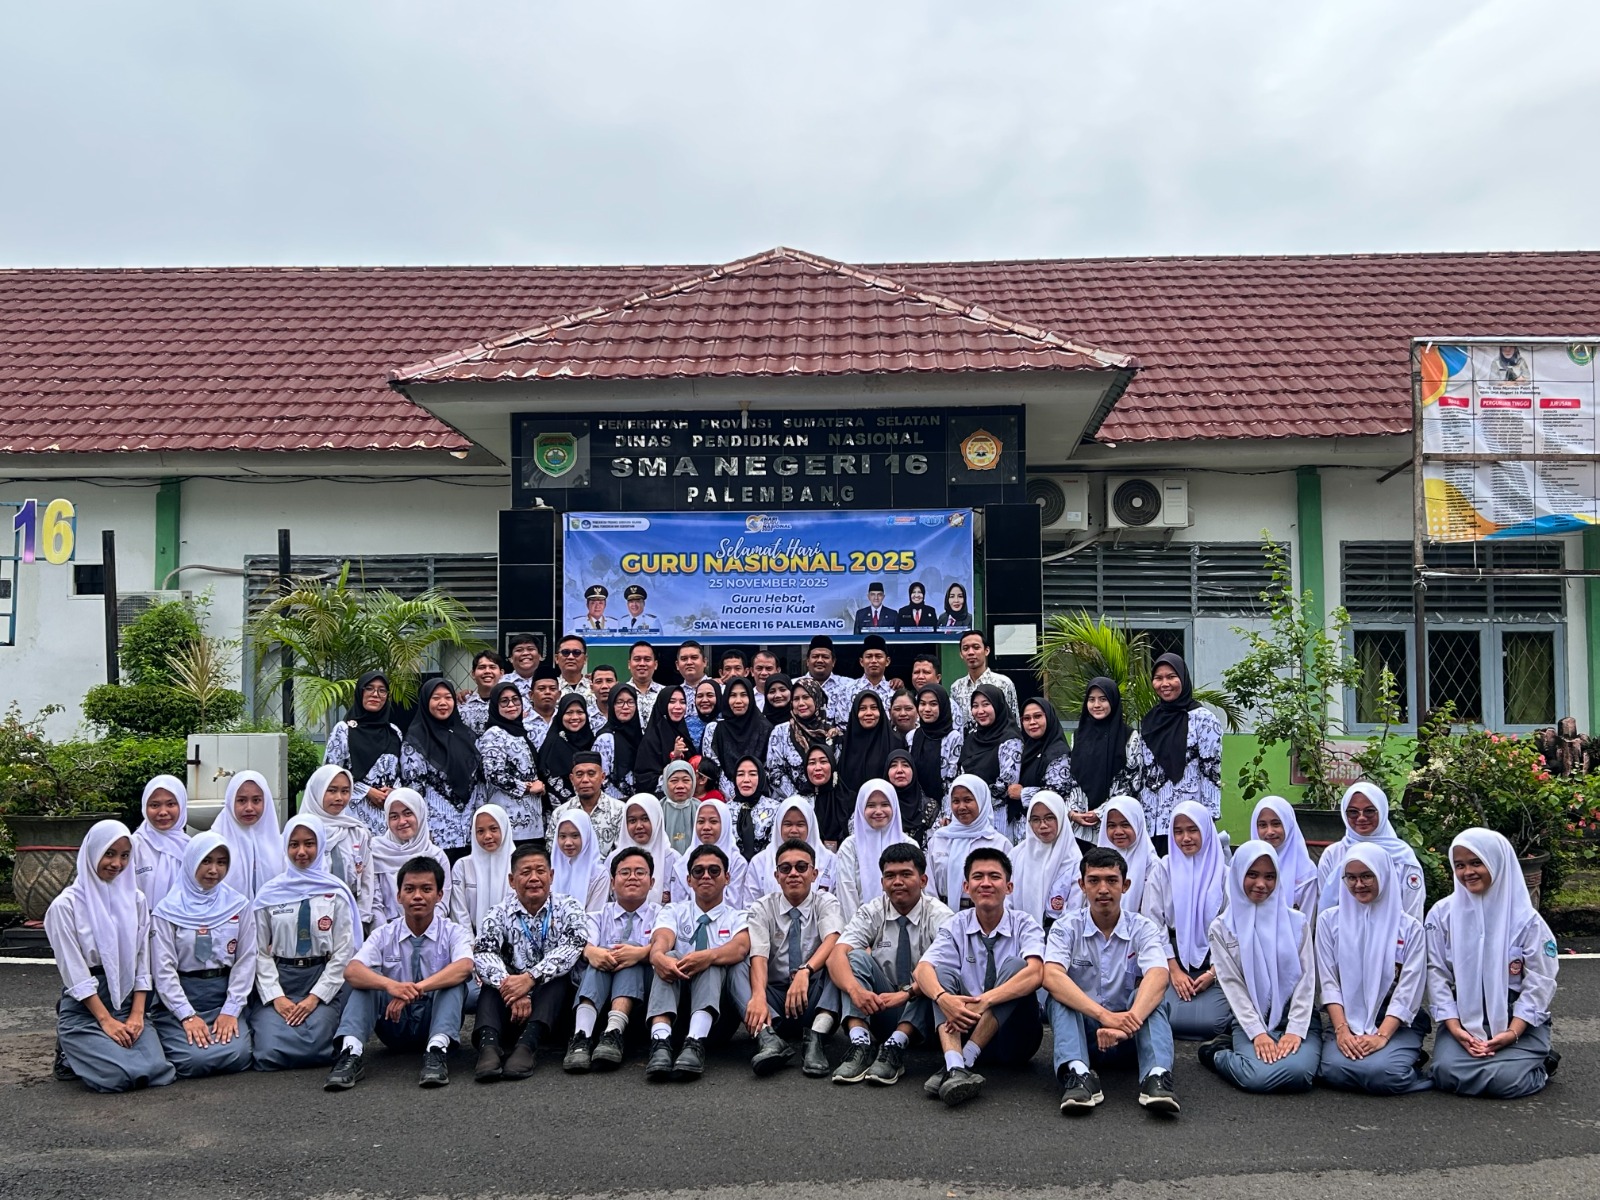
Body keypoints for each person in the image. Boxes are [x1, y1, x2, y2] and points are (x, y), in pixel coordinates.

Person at [1042, 846, 1180, 1114]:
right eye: (1093, 881)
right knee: (1059, 997)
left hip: (1131, 1036)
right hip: (1086, 1035)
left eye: (1111, 880)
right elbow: (1051, 975)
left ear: (1125, 885)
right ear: (1082, 885)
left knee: (1152, 997)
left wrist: (1125, 1025)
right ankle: (1079, 1074)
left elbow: (1159, 974)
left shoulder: (1143, 927)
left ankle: (1156, 1076)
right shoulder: (1066, 927)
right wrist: (1104, 1017)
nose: (1102, 889)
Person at [1426, 828, 1560, 1099]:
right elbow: (1436, 971)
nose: (1467, 872)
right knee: (1444, 1072)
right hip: (1464, 1015)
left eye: (1477, 863)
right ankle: (1503, 1061)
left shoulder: (1528, 921)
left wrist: (1513, 1032)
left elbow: (1540, 981)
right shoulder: (1443, 914)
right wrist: (1454, 1027)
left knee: (1507, 1082)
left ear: (1497, 863)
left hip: (1517, 1017)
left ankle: (1542, 1066)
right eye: (1460, 865)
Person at [44, 819, 177, 1092]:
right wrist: (106, 1021)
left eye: (125, 855)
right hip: (86, 1008)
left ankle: (89, 1053)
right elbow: (75, 973)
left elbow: (143, 961)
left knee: (156, 1071)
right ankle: (69, 1052)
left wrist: (137, 1015)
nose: (117, 863)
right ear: (92, 852)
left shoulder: (136, 900)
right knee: (119, 1077)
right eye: (109, 853)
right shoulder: (65, 907)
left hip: (127, 1002)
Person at [325, 856, 474, 1091]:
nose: (417, 896)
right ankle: (350, 1053)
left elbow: (465, 966)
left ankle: (437, 1051)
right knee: (366, 983)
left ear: (439, 895)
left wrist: (416, 989)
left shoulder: (453, 932)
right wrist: (389, 986)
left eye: (426, 889)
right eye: (409, 889)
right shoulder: (384, 933)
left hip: (432, 1020)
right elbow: (352, 971)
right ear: (399, 896)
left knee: (454, 982)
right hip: (393, 1023)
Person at [913, 847, 1044, 1107]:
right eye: (978, 877)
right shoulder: (956, 924)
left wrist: (985, 1000)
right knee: (940, 974)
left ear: (1009, 887)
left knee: (1018, 967)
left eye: (994, 877)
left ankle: (963, 1061)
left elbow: (1037, 973)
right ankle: (955, 1065)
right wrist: (943, 998)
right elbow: (922, 970)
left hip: (1015, 1040)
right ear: (966, 886)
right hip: (964, 1026)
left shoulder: (1025, 923)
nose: (985, 883)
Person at [827, 842, 953, 1085]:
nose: (897, 882)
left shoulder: (940, 915)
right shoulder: (872, 910)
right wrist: (857, 991)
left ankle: (896, 1047)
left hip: (924, 1014)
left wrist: (908, 993)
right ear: (882, 881)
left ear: (923, 880)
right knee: (854, 958)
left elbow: (951, 966)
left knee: (934, 971)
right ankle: (860, 1043)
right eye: (890, 876)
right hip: (883, 1006)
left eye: (906, 874)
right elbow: (836, 954)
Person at [1200, 841, 1320, 1093]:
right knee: (1257, 1077)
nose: (1261, 884)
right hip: (1249, 1016)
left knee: (1299, 1073)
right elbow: (1232, 985)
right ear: (1238, 874)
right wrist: (1257, 1033)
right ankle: (1216, 1055)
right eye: (1251, 875)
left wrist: (1296, 1031)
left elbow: (1306, 981)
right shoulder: (1222, 928)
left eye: (1270, 876)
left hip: (1295, 1015)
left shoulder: (1297, 922)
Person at [1315, 843, 1432, 1094]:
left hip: (1394, 1020)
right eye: (1351, 877)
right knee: (1330, 1069)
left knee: (1385, 1075)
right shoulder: (1329, 921)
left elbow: (1409, 990)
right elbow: (1328, 983)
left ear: (1384, 874)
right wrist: (1342, 1031)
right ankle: (1391, 1057)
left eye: (1367, 876)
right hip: (1345, 1018)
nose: (1359, 885)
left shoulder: (1409, 928)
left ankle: (1404, 1061)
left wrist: (1382, 1036)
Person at [249, 814, 362, 1071]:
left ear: (320, 845)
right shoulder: (269, 894)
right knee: (268, 1050)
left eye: (309, 843)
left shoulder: (335, 891)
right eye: (294, 844)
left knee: (319, 1043)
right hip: (281, 979)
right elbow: (258, 951)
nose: (301, 852)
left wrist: (315, 997)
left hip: (321, 978)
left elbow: (344, 951)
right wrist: (276, 997)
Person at [471, 844, 590, 1081]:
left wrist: (530, 979)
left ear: (551, 876)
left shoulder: (569, 907)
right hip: (510, 1003)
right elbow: (483, 953)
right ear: (512, 880)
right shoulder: (497, 912)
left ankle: (527, 1046)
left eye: (540, 871)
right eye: (525, 873)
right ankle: (489, 1048)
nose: (534, 878)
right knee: (489, 984)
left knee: (558, 979)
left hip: (552, 1008)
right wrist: (511, 987)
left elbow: (573, 947)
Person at [150, 831, 256, 1078]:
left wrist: (231, 1010)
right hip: (182, 997)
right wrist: (186, 1015)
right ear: (191, 862)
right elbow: (163, 969)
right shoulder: (167, 911)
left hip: (223, 995)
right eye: (206, 861)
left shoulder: (238, 905)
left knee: (238, 1055)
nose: (213, 870)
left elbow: (246, 959)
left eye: (221, 862)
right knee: (193, 1060)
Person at [645, 844, 754, 1082]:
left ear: (727, 878)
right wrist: (659, 955)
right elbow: (662, 938)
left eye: (714, 871)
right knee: (670, 957)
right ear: (689, 880)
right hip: (677, 1011)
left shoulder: (739, 916)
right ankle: (660, 1041)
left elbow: (741, 947)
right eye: (698, 871)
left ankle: (695, 1042)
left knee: (712, 959)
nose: (706, 876)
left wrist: (709, 956)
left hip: (718, 1019)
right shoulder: (673, 910)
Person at [745, 838, 845, 1077]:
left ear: (814, 873)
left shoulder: (826, 901)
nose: (793, 874)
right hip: (774, 1001)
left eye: (801, 867)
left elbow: (833, 938)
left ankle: (816, 1039)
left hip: (815, 998)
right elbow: (758, 954)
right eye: (785, 868)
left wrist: (805, 971)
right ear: (776, 875)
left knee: (842, 958)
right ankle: (768, 1039)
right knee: (737, 967)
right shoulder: (762, 908)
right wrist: (758, 996)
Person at [563, 846, 662, 1072]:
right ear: (612, 880)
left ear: (652, 881)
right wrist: (591, 952)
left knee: (632, 953)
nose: (632, 878)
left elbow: (666, 947)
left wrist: (639, 953)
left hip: (644, 999)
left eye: (640, 872)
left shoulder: (662, 914)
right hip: (601, 991)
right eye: (625, 872)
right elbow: (581, 942)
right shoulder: (597, 916)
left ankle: (613, 1032)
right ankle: (582, 1036)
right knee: (601, 954)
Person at [1141, 800, 1231, 1041]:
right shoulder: (1164, 869)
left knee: (1211, 1022)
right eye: (1178, 831)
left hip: (1216, 965)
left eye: (1193, 830)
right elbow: (1152, 924)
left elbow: (1235, 930)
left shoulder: (1224, 874)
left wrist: (1213, 973)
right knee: (1147, 1011)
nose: (1185, 838)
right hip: (1170, 962)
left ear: (1206, 830)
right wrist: (1174, 971)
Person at [1133, 654, 1222, 850]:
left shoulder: (1203, 719)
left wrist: (1208, 819)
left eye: (1171, 676)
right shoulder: (1150, 719)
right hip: (1150, 823)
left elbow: (1211, 772)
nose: (1164, 683)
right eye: (1158, 678)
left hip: (1186, 824)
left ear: (1183, 678)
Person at [1317, 782, 1427, 921]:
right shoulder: (1333, 855)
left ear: (1382, 810)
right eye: (1353, 812)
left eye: (1369, 811)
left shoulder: (1402, 856)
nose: (1361, 818)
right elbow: (1325, 908)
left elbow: (1412, 913)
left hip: (1393, 938)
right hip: (1343, 937)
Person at [399, 676, 483, 854]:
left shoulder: (467, 736)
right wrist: (421, 830)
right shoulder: (416, 740)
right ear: (425, 701)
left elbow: (479, 783)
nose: (443, 703)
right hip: (436, 833)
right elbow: (414, 791)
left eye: (448, 697)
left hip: (471, 831)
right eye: (436, 698)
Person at [323, 671, 402, 830]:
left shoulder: (394, 732)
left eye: (382, 690)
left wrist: (394, 792)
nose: (375, 694)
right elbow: (329, 774)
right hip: (353, 816)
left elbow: (400, 773)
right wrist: (367, 791)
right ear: (360, 692)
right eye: (369, 688)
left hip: (387, 818)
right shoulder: (344, 730)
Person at [299, 765, 376, 926]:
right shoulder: (300, 832)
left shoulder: (357, 832)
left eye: (345, 791)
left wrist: (362, 918)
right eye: (332, 790)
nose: (339, 797)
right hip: (307, 917)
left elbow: (367, 878)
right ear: (317, 791)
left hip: (349, 917)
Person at [1068, 678, 1141, 847]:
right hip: (1081, 827)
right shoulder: (1078, 736)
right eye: (1091, 699)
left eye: (1103, 699)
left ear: (1113, 701)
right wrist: (1073, 813)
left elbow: (1132, 783)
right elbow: (1073, 779)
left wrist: (1101, 812)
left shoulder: (1130, 737)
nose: (1096, 705)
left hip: (1114, 825)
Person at [925, 775, 1013, 911]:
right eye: (955, 801)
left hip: (986, 916)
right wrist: (937, 918)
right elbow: (928, 887)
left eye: (968, 800)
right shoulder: (939, 840)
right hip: (941, 916)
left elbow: (1008, 891)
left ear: (981, 801)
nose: (961, 807)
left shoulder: (999, 844)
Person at [834, 779, 915, 921]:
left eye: (885, 804)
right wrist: (859, 935)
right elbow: (846, 894)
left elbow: (918, 891)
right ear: (861, 808)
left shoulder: (909, 844)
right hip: (859, 931)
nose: (878, 811)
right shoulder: (850, 847)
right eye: (871, 805)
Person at [368, 790, 452, 925]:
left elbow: (442, 903)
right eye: (394, 816)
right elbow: (374, 904)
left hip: (430, 932)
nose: (402, 822)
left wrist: (423, 932)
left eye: (408, 813)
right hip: (387, 934)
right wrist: (388, 937)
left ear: (420, 814)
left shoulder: (436, 856)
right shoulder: (375, 852)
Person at [476, 680, 545, 842]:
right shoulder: (494, 734)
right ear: (495, 706)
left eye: (515, 699)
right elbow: (494, 774)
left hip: (532, 820)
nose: (511, 705)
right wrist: (527, 788)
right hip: (509, 818)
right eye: (504, 701)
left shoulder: (521, 731)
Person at [958, 685, 1023, 839]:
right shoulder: (971, 739)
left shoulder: (1010, 740)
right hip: (968, 815)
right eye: (975, 706)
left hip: (998, 816)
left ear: (998, 705)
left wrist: (973, 801)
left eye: (986, 704)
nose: (980, 711)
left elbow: (1007, 784)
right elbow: (961, 776)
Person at [1012, 791, 1083, 929]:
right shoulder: (1017, 855)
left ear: (1061, 817)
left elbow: (1075, 907)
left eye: (1049, 818)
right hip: (1019, 932)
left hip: (1060, 934)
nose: (1042, 825)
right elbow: (1007, 898)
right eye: (1036, 819)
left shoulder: (1074, 859)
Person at [212, 770, 285, 901]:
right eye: (241, 800)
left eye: (256, 800)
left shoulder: (280, 845)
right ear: (230, 801)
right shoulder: (214, 844)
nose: (249, 808)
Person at [1013, 698, 1079, 839]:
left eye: (1038, 716)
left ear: (1049, 717)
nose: (1032, 722)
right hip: (1025, 831)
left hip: (1049, 832)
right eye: (1026, 718)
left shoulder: (1058, 753)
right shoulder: (1026, 749)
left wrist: (1023, 793)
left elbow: (1058, 793)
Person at [750, 797, 839, 898]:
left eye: (800, 825)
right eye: (788, 824)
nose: (794, 830)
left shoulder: (830, 861)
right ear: (779, 826)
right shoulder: (760, 862)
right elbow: (750, 908)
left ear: (810, 826)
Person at [447, 805, 513, 940]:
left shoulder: (519, 863)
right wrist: (470, 944)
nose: (487, 836)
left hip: (513, 938)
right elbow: (459, 911)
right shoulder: (463, 866)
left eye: (494, 829)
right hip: (472, 941)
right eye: (480, 831)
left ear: (504, 828)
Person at [673, 798, 753, 906]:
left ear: (725, 824)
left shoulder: (737, 863)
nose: (706, 827)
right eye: (700, 821)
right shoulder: (682, 863)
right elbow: (678, 906)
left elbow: (734, 904)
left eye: (713, 821)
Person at [548, 750, 627, 859]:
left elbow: (624, 852)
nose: (585, 780)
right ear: (572, 779)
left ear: (602, 777)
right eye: (579, 775)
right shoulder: (561, 813)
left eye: (591, 774)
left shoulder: (620, 810)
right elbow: (553, 851)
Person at [767, 677, 838, 799]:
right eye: (796, 699)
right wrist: (800, 800)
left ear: (817, 698)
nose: (800, 703)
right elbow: (774, 772)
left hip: (828, 803)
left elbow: (838, 772)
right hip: (790, 804)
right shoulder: (780, 732)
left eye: (806, 697)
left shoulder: (832, 734)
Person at [609, 795, 682, 905]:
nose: (639, 826)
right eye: (632, 820)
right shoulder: (614, 858)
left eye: (645, 819)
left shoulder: (673, 859)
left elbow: (681, 903)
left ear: (656, 819)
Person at [1250, 796, 1319, 913]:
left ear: (1289, 824)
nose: (1270, 832)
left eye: (1276, 824)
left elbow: (1305, 924)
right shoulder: (1244, 865)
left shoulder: (1306, 873)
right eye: (1262, 825)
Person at [706, 676, 772, 797]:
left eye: (743, 695)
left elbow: (769, 767)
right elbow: (713, 768)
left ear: (751, 698)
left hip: (759, 796)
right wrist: (732, 795)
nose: (738, 701)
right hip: (724, 798)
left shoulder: (765, 729)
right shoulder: (715, 729)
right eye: (732, 695)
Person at [131, 774, 190, 907]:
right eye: (154, 805)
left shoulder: (190, 847)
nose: (163, 812)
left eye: (171, 804)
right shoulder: (134, 846)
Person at [1097, 797, 1158, 912]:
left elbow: (1153, 910)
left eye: (1125, 825)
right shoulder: (1096, 861)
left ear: (1138, 824)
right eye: (1111, 826)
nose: (1118, 832)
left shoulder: (1152, 864)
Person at [538, 693, 598, 811]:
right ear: (561, 715)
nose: (575, 717)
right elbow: (553, 787)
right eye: (569, 713)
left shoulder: (591, 740)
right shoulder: (553, 744)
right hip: (563, 812)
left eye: (580, 712)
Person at [949, 630, 1017, 730]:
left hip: (997, 743)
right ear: (961, 654)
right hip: (967, 744)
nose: (971, 652)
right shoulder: (956, 687)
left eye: (976, 647)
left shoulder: (1003, 683)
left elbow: (1014, 722)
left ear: (987, 651)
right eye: (965, 648)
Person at [837, 690, 896, 803]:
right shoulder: (844, 744)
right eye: (862, 708)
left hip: (886, 808)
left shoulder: (895, 742)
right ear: (855, 713)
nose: (868, 713)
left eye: (874, 708)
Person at [634, 684, 693, 796]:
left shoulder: (683, 733)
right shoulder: (652, 739)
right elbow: (645, 780)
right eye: (672, 701)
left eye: (682, 702)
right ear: (663, 704)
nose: (678, 706)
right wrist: (674, 756)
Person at [908, 684, 961, 805]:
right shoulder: (912, 737)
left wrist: (947, 812)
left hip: (945, 808)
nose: (926, 709)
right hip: (918, 807)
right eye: (922, 704)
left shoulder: (953, 738)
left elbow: (952, 780)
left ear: (943, 706)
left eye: (933, 704)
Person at [552, 811, 610, 913]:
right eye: (562, 836)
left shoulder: (599, 874)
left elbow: (594, 916)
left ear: (586, 836)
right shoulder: (550, 869)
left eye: (575, 836)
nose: (568, 843)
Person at [595, 682, 644, 799]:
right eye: (619, 702)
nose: (625, 707)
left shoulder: (641, 735)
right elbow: (601, 780)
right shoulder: (605, 739)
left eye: (630, 702)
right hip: (614, 806)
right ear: (612, 705)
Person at [798, 744, 851, 850]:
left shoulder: (849, 800)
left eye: (823, 762)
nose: (818, 768)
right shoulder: (799, 803)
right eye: (812, 763)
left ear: (832, 765)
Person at [727, 755, 780, 859]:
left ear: (761, 777)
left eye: (752, 774)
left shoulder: (775, 809)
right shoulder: (724, 811)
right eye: (741, 774)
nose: (746, 780)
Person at [886, 748, 939, 846]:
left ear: (913, 770)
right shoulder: (879, 807)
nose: (899, 770)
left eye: (905, 765)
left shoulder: (929, 806)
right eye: (893, 766)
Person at [803, 634, 856, 726]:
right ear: (807, 661)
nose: (820, 660)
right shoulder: (794, 685)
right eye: (815, 656)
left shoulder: (849, 685)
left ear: (833, 662)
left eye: (825, 657)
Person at [459, 650, 507, 737]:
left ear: (501, 673)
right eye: (482, 667)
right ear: (473, 674)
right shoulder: (462, 702)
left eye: (492, 667)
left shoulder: (512, 704)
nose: (487, 671)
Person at [659, 759, 699, 853]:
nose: (680, 786)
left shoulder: (701, 809)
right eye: (674, 781)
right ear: (665, 782)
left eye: (686, 780)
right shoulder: (658, 809)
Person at [500, 634, 545, 708]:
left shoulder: (553, 683)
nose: (525, 653)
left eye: (530, 649)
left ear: (540, 656)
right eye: (519, 650)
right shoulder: (501, 683)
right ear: (511, 658)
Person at [852, 634, 896, 708]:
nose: (873, 661)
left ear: (887, 661)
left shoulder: (894, 691)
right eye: (869, 657)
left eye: (878, 656)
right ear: (861, 662)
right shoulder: (848, 690)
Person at [627, 641, 665, 724]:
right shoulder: (621, 693)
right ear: (629, 664)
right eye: (637, 659)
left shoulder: (665, 693)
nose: (642, 663)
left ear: (655, 665)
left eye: (647, 659)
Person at [554, 634, 596, 702]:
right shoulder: (550, 689)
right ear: (556, 658)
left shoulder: (595, 688)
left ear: (585, 659)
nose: (571, 657)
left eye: (576, 652)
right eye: (565, 652)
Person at [526, 669, 561, 749]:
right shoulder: (523, 723)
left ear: (559, 695)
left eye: (552, 689)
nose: (547, 692)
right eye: (541, 689)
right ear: (531, 695)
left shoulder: (565, 720)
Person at [687, 678, 723, 753]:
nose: (704, 700)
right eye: (700, 696)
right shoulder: (687, 725)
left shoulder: (727, 723)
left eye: (710, 695)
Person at [589, 665, 617, 732]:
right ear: (592, 687)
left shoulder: (625, 713)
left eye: (609, 681)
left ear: (617, 685)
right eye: (599, 681)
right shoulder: (585, 716)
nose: (604, 686)